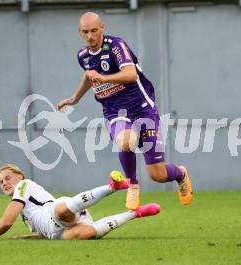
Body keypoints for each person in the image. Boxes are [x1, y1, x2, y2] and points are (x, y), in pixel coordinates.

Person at [56, 12, 193, 210]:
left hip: (143, 109)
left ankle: (180, 174)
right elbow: (89, 76)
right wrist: (74, 99)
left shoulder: (116, 46)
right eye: (85, 32)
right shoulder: (83, 55)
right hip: (114, 111)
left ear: (102, 28)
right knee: (126, 141)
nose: (90, 36)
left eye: (94, 31)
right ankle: (132, 184)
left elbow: (130, 74)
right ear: (80, 32)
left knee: (157, 174)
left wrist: (104, 78)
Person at [0, 164, 160, 240]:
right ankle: (136, 213)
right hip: (58, 232)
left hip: (57, 212)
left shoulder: (23, 185)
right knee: (86, 233)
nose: (4, 183)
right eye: (1, 182)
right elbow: (43, 231)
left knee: (61, 211)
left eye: (8, 178)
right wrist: (26, 237)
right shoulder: (25, 209)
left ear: (20, 176)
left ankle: (113, 186)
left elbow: (7, 221)